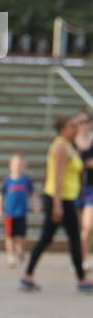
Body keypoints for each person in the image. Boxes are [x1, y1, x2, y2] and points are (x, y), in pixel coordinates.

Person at [20, 115, 93, 291]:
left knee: (47, 238)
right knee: (73, 238)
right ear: (62, 130)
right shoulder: (61, 146)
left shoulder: (68, 145)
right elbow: (57, 177)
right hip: (60, 199)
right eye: (71, 127)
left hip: (65, 198)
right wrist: (58, 205)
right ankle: (81, 279)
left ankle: (28, 274)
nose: (75, 129)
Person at [0, 153, 38, 266]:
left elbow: (33, 194)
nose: (17, 167)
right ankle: (10, 255)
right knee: (9, 236)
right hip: (9, 213)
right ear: (10, 166)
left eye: (20, 164)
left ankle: (20, 250)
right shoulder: (7, 181)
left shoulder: (26, 180)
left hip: (21, 213)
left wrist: (36, 205)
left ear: (23, 166)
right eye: (15, 164)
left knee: (21, 235)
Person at [73, 109, 93, 271]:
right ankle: (80, 255)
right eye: (79, 122)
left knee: (88, 227)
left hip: (90, 188)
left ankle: (84, 257)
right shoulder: (71, 142)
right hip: (74, 188)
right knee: (79, 228)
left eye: (85, 121)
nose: (82, 125)